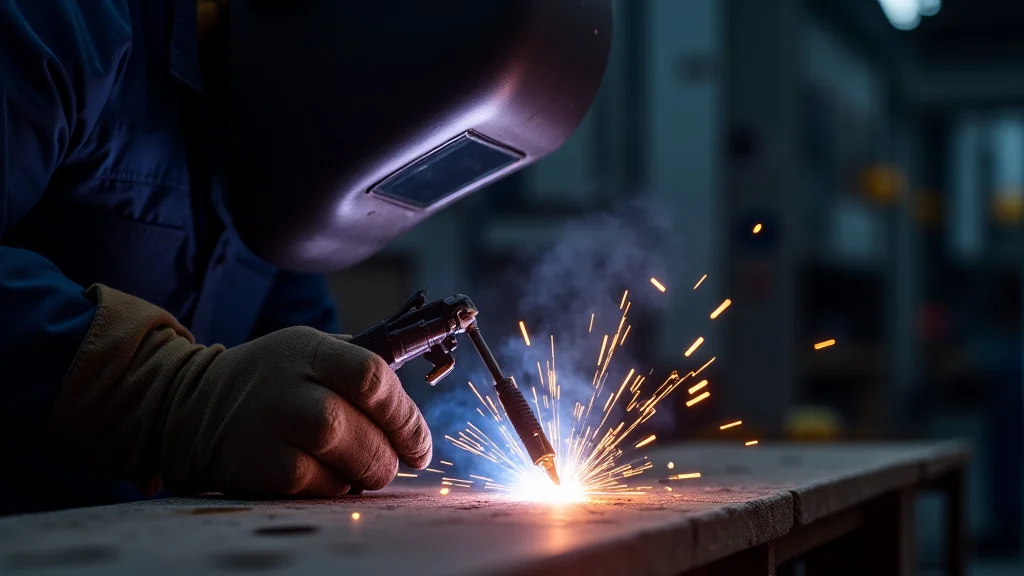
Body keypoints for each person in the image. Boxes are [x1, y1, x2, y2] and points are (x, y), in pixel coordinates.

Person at [0, 0, 432, 515]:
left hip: (148, 537)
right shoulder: (70, 22)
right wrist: (167, 394)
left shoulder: (282, 130)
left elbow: (299, 355)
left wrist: (334, 411)